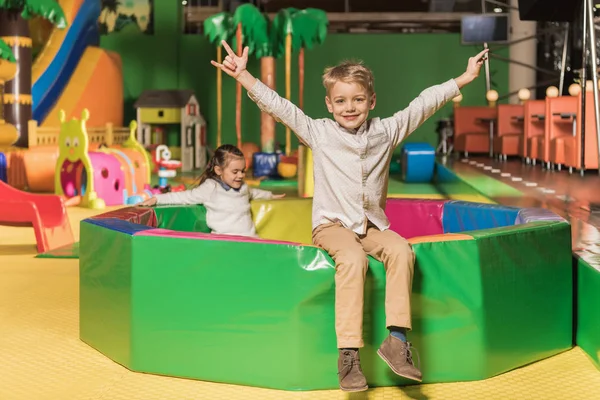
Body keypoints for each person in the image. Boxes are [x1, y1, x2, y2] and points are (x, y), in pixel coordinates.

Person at [212, 41, 487, 392]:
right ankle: (348, 354)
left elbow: (423, 104)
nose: (349, 107)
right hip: (332, 227)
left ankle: (397, 341)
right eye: (340, 101)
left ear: (371, 101)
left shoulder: (385, 132)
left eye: (358, 99)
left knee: (402, 250)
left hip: (373, 226)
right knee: (353, 259)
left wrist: (462, 79)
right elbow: (279, 107)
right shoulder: (320, 133)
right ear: (329, 105)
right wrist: (245, 76)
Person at [138, 144, 285, 238]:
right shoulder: (211, 188)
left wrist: (271, 195)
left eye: (242, 171)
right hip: (224, 241)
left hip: (250, 239)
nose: (240, 175)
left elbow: (255, 193)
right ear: (219, 170)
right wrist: (157, 199)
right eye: (235, 172)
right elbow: (184, 196)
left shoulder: (244, 187)